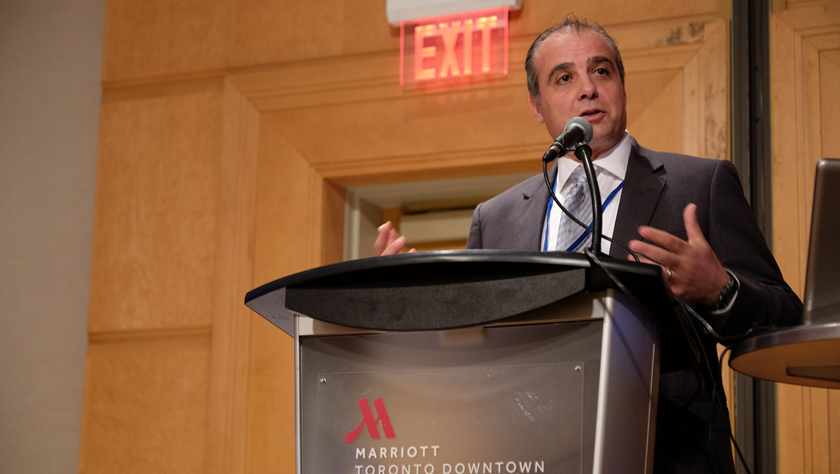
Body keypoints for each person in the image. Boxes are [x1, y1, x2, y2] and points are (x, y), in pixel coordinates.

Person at [375, 14, 802, 473]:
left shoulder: (698, 185)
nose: (588, 89)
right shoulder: (496, 218)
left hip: (667, 456)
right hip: (529, 455)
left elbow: (787, 316)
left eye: (602, 71)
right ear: (537, 106)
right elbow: (478, 348)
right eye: (564, 77)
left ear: (621, 85)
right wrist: (412, 304)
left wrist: (721, 289)